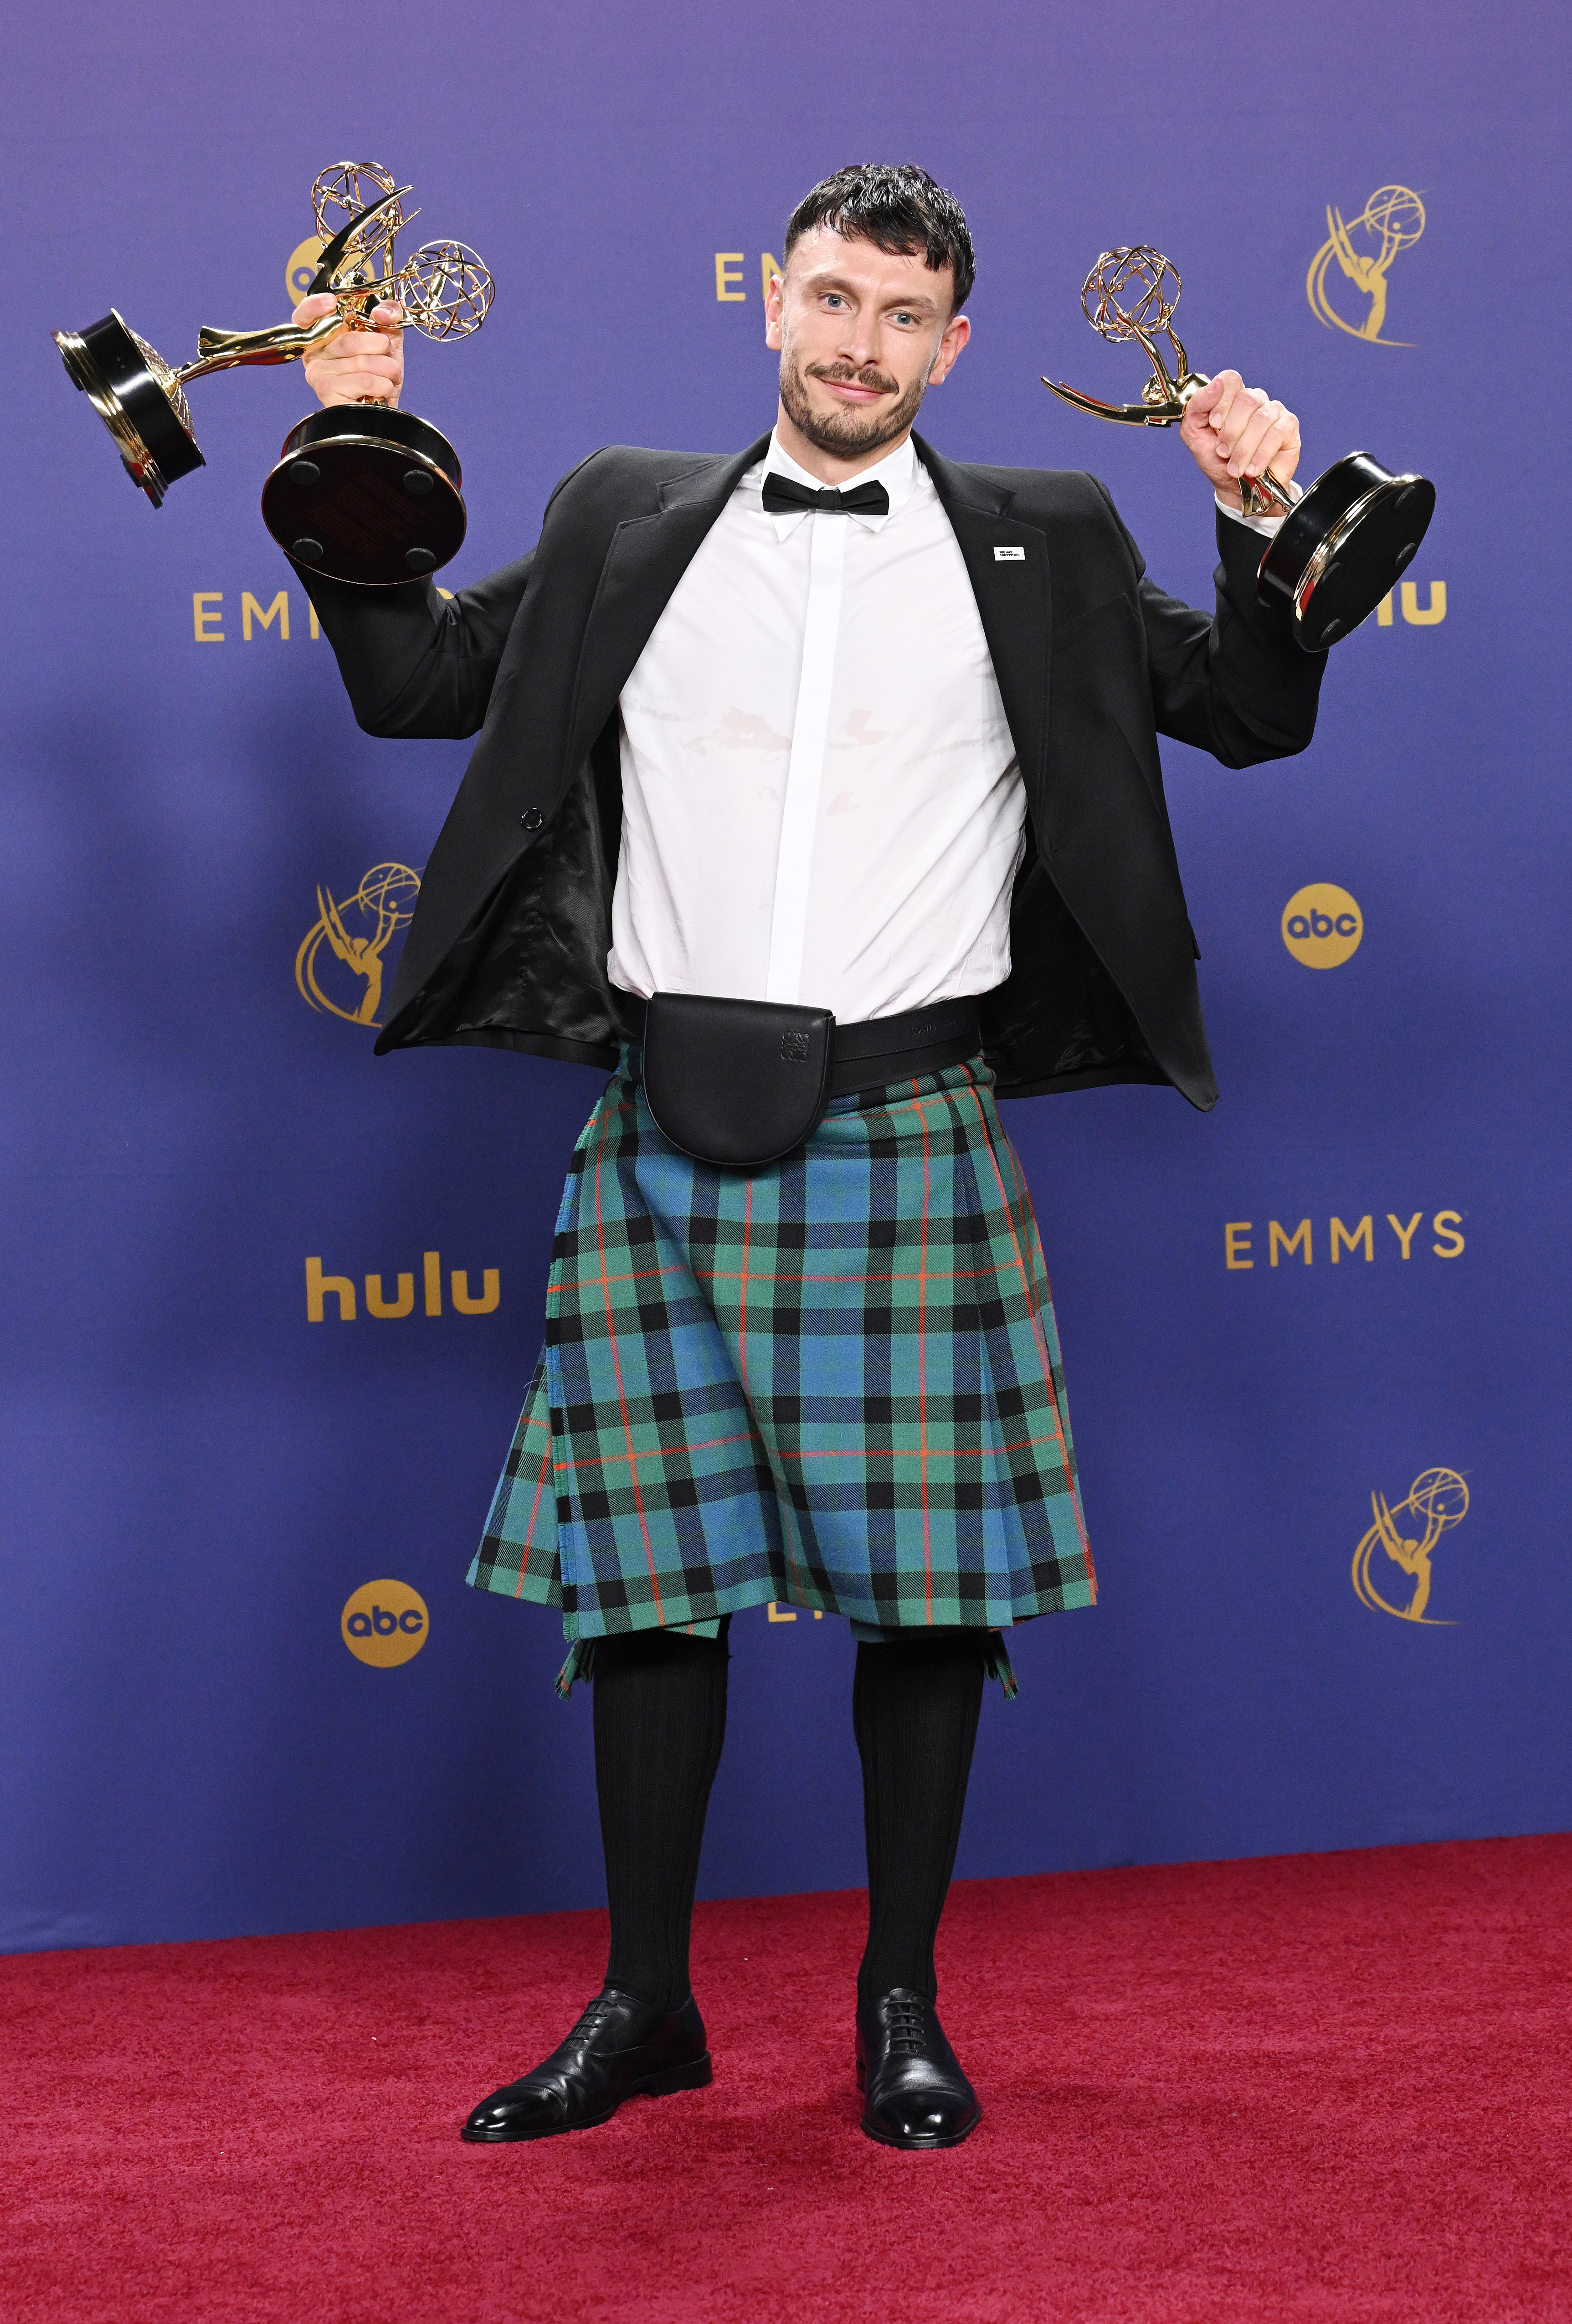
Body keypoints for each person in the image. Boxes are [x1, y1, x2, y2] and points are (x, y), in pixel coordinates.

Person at [292, 164, 1324, 2151]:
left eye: (904, 317)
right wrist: (351, 447)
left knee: (925, 1597)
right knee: (646, 1595)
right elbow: (416, 680)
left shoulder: (1047, 538)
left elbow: (1251, 716)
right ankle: (644, 2004)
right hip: (658, 1125)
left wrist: (1258, 515)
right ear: (770, 305)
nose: (861, 347)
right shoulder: (621, 517)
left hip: (908, 1122)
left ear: (948, 339)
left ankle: (899, 2005)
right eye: (832, 303)